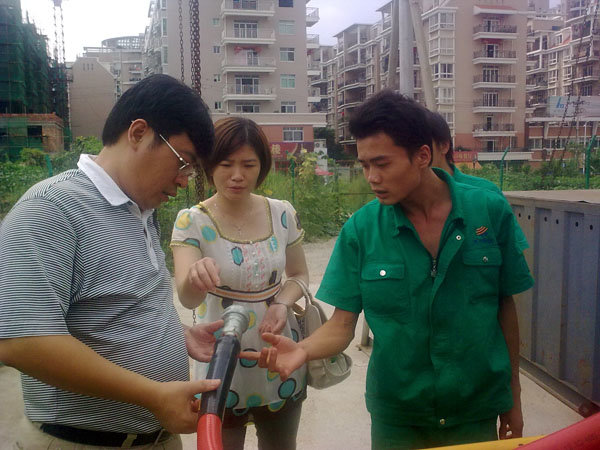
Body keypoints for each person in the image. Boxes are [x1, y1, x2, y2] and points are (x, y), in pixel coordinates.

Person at [245, 91, 535, 449]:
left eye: (382, 164)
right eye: (365, 165)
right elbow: (341, 325)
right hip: (398, 416)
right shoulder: (362, 230)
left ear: (422, 156)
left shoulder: (488, 212)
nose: (372, 177)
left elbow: (504, 308)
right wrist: (303, 350)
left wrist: (513, 398)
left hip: (475, 408)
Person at [0, 74, 224, 449]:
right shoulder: (51, 209)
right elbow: (23, 341)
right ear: (138, 133)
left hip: (156, 438)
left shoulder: (140, 210)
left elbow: (116, 307)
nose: (184, 180)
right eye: (182, 163)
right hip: (82, 442)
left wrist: (176, 334)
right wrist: (153, 396)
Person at [171, 116, 309, 450]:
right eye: (226, 164)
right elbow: (188, 299)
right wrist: (195, 277)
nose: (237, 175)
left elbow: (299, 275)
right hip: (220, 359)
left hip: (276, 354)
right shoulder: (192, 221)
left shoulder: (281, 213)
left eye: (248, 165)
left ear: (262, 167)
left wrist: (282, 303)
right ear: (209, 165)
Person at [428, 111, 529, 251]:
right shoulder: (402, 201)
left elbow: (514, 255)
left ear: (444, 146)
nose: (415, 154)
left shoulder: (487, 195)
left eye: (421, 145)